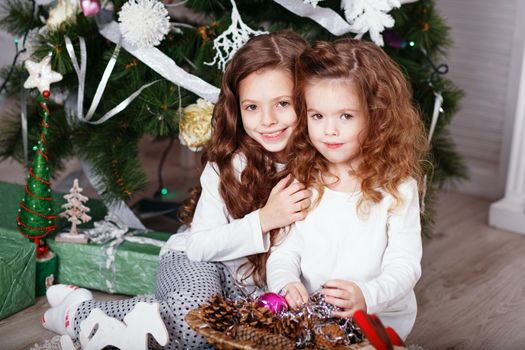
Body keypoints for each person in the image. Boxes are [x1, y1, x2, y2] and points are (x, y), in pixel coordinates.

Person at [41, 30, 309, 349]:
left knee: (229, 336)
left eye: (282, 103)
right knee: (196, 326)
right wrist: (264, 220)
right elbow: (200, 246)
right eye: (252, 107)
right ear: (237, 109)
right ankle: (79, 313)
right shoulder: (229, 164)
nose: (267, 120)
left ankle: (109, 324)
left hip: (251, 292)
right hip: (198, 261)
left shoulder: (324, 164)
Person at [266, 38, 428, 340]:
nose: (329, 130)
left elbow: (404, 265)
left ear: (376, 117)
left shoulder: (396, 188)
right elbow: (284, 251)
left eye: (346, 116)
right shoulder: (304, 178)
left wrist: (367, 295)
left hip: (376, 317)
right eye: (317, 116)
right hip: (311, 315)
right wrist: (285, 282)